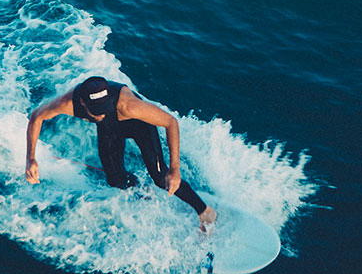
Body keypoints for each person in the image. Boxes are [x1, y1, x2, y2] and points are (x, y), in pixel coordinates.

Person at [24, 76, 217, 228]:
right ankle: (142, 192)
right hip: (109, 130)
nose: (102, 113)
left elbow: (170, 122)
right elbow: (37, 116)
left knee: (161, 177)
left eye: (105, 108)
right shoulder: (68, 103)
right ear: (83, 103)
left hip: (139, 126)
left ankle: (205, 212)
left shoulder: (128, 105)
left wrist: (175, 169)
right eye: (96, 111)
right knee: (115, 179)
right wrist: (31, 158)